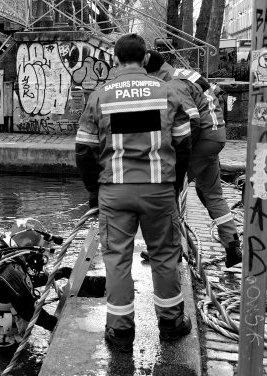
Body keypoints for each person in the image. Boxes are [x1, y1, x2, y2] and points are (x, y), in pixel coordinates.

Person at [75, 33, 192, 353]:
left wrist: (94, 192)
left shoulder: (100, 96)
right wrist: (175, 183)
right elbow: (184, 144)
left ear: (115, 59)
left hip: (115, 191)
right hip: (158, 191)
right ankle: (170, 325)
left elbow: (84, 150)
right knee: (165, 257)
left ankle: (120, 332)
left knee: (117, 260)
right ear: (144, 59)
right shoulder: (168, 92)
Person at [144, 50, 243, 269]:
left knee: (170, 189)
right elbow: (219, 92)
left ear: (152, 72)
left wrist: (183, 154)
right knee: (211, 193)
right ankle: (232, 246)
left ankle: (170, 249)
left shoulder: (172, 85)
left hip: (201, 141)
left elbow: (192, 120)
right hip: (216, 136)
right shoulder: (187, 74)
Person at [0, 218, 105, 348]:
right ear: (29, 250)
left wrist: (62, 273)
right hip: (1, 346)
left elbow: (28, 282)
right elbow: (29, 310)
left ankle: (102, 287)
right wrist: (58, 327)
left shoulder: (1, 260)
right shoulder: (9, 272)